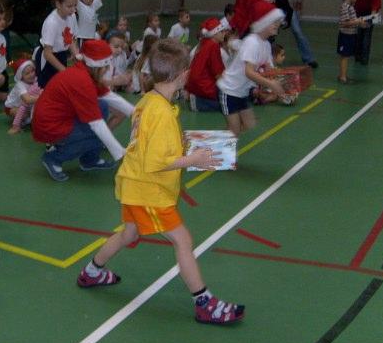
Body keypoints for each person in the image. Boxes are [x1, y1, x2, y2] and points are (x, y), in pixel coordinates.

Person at [76, 38, 245, 325]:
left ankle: (91, 272)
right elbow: (156, 162)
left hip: (133, 183)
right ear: (181, 75)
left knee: (129, 234)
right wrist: (193, 160)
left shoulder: (148, 100)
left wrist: (186, 145)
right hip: (147, 190)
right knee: (183, 240)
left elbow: (150, 145)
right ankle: (204, 303)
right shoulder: (163, 112)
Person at [32, 40, 133, 182]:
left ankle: (89, 159)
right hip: (49, 127)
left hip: (61, 118)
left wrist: (137, 113)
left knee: (102, 106)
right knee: (94, 134)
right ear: (97, 66)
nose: (107, 70)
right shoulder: (82, 80)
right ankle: (53, 158)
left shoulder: (85, 70)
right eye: (105, 67)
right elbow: (97, 124)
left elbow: (108, 96)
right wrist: (120, 153)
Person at [217, 0, 286, 136]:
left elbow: (268, 70)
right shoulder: (252, 42)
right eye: (273, 22)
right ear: (263, 23)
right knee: (234, 130)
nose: (277, 25)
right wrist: (271, 84)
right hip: (229, 90)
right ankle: (218, 148)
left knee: (249, 124)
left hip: (241, 92)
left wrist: (283, 83)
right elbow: (248, 72)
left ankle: (220, 138)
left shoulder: (265, 45)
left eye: (278, 22)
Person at [34, 0, 81, 88]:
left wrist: (77, 55)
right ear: (58, 4)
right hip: (48, 59)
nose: (73, 9)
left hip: (61, 55)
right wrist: (64, 70)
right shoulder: (52, 22)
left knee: (61, 88)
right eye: (69, 6)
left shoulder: (71, 16)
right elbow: (47, 53)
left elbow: (69, 39)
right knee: (47, 90)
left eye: (75, 5)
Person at [257, 0, 318, 69]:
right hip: (274, 16)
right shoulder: (259, 5)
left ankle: (309, 59)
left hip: (289, 14)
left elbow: (288, 10)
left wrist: (287, 21)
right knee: (269, 36)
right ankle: (269, 58)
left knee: (298, 32)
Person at [186, 17, 230, 112]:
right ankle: (199, 103)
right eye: (221, 32)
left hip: (196, 83)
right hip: (203, 84)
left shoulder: (205, 43)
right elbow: (218, 72)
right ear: (214, 34)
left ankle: (198, 99)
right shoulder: (214, 46)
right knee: (229, 104)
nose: (224, 33)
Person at [337, 0, 366, 84]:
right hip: (345, 35)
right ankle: (343, 77)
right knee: (344, 56)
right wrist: (357, 21)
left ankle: (342, 75)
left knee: (346, 56)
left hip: (351, 35)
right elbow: (345, 22)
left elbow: (352, 20)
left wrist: (360, 23)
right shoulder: (345, 7)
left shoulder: (351, 6)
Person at [5, 59, 42, 135]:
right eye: (27, 73)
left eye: (32, 71)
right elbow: (27, 100)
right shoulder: (20, 85)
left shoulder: (35, 80)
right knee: (24, 114)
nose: (31, 74)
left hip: (27, 105)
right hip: (12, 107)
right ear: (21, 76)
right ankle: (23, 120)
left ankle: (28, 118)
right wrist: (43, 97)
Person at [353, 0, 382, 65]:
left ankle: (364, 59)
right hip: (358, 14)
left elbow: (376, 1)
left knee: (366, 37)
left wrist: (373, 15)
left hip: (369, 15)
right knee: (358, 36)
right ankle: (357, 57)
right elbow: (353, 2)